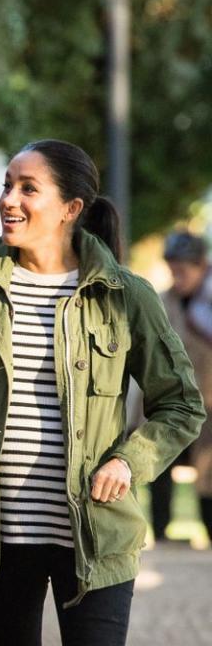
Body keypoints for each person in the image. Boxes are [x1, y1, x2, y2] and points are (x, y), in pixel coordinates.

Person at [0, 139, 206, 646]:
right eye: (7, 185)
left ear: (71, 209)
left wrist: (129, 462)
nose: (9, 199)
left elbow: (181, 404)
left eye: (28, 188)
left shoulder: (125, 295)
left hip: (96, 537)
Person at [158, 231, 212, 542]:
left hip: (209, 401)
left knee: (209, 474)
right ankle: (162, 533)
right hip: (175, 400)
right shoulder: (165, 302)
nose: (177, 278)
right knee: (160, 456)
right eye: (172, 270)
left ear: (202, 265)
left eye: (184, 270)